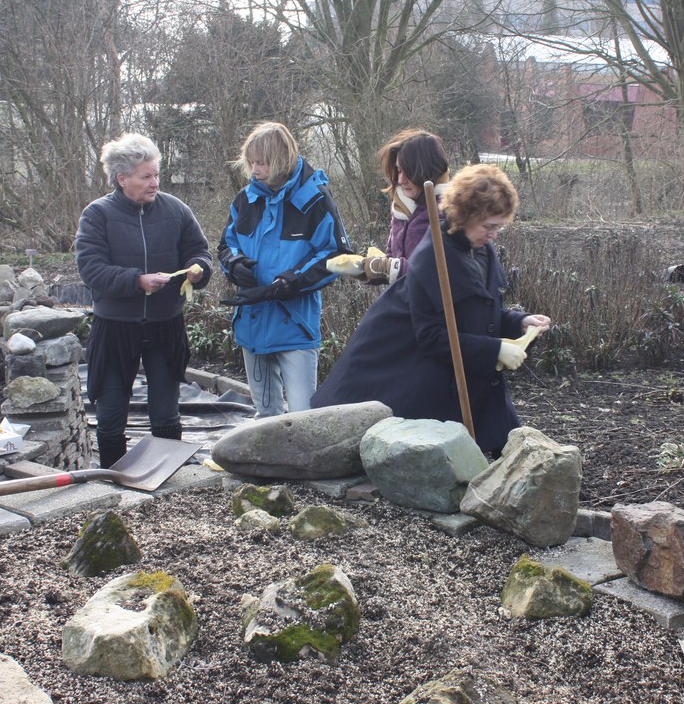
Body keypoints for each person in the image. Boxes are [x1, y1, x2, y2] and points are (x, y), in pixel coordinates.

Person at [312, 163, 551, 453]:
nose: (494, 234)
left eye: (499, 226)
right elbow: (432, 336)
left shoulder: (480, 250)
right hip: (418, 378)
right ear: (465, 215)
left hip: (468, 379)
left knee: (503, 455)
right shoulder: (432, 257)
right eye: (489, 226)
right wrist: (495, 350)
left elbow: (478, 313)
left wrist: (519, 322)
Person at [75, 132, 211, 467]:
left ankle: (167, 476)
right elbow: (91, 269)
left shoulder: (176, 210)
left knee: (166, 410)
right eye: (145, 176)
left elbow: (199, 251)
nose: (155, 183)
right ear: (122, 179)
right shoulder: (97, 215)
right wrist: (136, 281)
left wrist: (199, 270)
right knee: (110, 413)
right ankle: (112, 478)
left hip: (165, 326)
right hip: (115, 328)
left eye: (156, 175)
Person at [217, 121, 351, 417]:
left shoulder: (315, 200)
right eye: (251, 162)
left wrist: (289, 282)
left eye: (262, 163)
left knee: (303, 416)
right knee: (266, 418)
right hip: (252, 323)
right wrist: (235, 265)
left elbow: (337, 255)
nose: (254, 170)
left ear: (280, 160)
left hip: (295, 325)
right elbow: (226, 244)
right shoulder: (245, 200)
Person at [358, 129, 450, 285]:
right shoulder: (401, 208)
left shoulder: (450, 214)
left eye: (408, 172)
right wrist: (369, 270)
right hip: (405, 299)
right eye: (399, 171)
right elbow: (394, 261)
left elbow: (439, 275)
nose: (400, 180)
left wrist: (389, 268)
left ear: (426, 171)